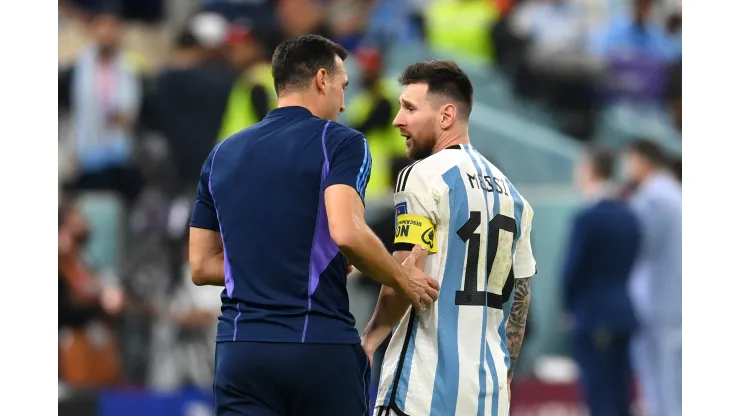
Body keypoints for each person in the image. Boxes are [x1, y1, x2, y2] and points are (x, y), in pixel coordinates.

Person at [187, 34, 440, 416]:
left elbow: (201, 266)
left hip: (240, 351)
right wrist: (403, 279)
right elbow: (347, 232)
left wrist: (286, 262)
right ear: (322, 79)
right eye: (342, 87)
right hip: (316, 345)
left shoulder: (220, 154)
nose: (344, 101)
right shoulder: (341, 142)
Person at [361, 60, 537, 416]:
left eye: (409, 108)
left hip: (423, 388)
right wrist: (505, 372)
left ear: (446, 116)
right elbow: (519, 299)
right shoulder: (515, 197)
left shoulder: (423, 175)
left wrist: (370, 339)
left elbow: (405, 274)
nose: (397, 120)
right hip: (488, 394)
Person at [562, 146, 641, 416]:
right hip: (624, 312)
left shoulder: (588, 217)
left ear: (589, 170)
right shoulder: (629, 215)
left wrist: (570, 306)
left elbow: (572, 269)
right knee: (620, 393)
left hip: (594, 315)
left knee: (597, 393)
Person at [621, 139, 682, 416]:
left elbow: (637, 244)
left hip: (658, 304)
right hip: (672, 300)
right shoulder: (674, 192)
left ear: (640, 161)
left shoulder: (654, 198)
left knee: (661, 386)